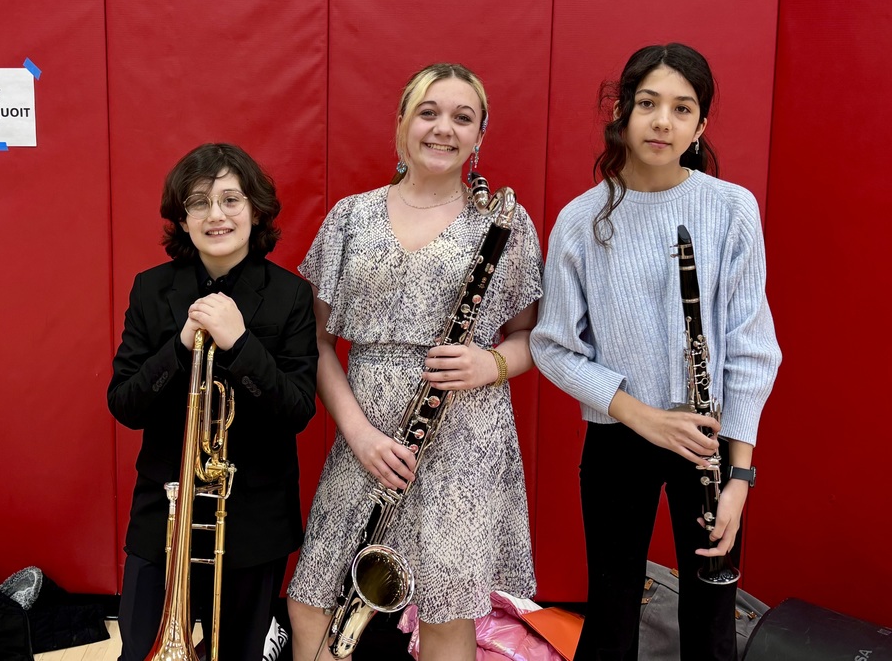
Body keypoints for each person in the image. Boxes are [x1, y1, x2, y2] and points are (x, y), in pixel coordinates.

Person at [530, 43, 782, 661]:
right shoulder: (581, 220)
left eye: (681, 107)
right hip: (621, 434)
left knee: (712, 618)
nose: (662, 121)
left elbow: (752, 349)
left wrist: (740, 475)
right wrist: (643, 416)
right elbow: (553, 348)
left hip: (710, 439)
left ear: (701, 126)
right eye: (647, 103)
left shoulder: (732, 209)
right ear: (622, 112)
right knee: (611, 613)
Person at [286, 63, 544, 661]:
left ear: (480, 136)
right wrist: (359, 435)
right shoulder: (352, 217)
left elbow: (533, 336)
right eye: (428, 112)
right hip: (368, 432)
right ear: (401, 124)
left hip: (465, 433)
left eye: (462, 117)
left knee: (448, 610)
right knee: (311, 599)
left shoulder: (505, 224)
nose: (443, 129)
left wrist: (492, 364)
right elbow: (317, 342)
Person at [108, 143, 318, 661]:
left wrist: (241, 345)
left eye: (230, 199)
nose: (216, 215)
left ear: (255, 210)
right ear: (181, 219)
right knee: (141, 650)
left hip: (252, 519)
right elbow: (125, 404)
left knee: (240, 653)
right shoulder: (151, 291)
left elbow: (297, 409)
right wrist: (178, 347)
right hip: (165, 511)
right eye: (198, 202)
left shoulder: (290, 296)